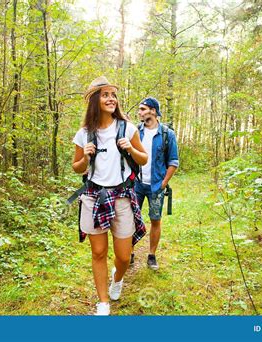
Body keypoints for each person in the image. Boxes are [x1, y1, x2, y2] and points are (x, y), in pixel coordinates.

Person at [72, 76, 148, 316]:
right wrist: (84, 157)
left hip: (123, 195)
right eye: (105, 95)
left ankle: (118, 278)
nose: (111, 99)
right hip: (93, 196)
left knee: (124, 256)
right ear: (95, 100)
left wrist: (131, 148)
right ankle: (103, 302)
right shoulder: (84, 134)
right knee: (98, 252)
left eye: (113, 95)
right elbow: (76, 167)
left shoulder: (128, 128)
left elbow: (143, 159)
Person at [133, 97, 179, 270]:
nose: (140, 112)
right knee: (130, 219)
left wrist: (163, 183)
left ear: (153, 111)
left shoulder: (167, 134)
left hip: (156, 186)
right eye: (139, 109)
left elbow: (173, 162)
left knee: (155, 220)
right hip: (136, 185)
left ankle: (151, 255)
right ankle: (129, 252)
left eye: (143, 109)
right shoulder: (136, 131)